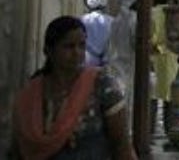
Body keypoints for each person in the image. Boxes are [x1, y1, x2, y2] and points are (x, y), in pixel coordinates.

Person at [10, 16, 136, 160]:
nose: (77, 52)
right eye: (69, 46)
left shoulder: (101, 85)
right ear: (49, 50)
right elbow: (18, 148)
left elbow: (121, 144)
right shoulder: (31, 94)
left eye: (82, 45)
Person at [150, 0, 178, 134]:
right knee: (170, 96)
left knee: (152, 96)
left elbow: (150, 37)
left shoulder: (151, 13)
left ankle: (149, 131)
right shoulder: (172, 13)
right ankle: (170, 129)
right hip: (171, 56)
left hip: (153, 57)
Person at [107, 0, 137, 123]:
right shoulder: (133, 20)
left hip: (115, 64)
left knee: (119, 99)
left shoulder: (116, 20)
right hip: (129, 64)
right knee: (127, 102)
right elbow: (136, 43)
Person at [82, 0, 113, 67]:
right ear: (104, 7)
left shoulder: (82, 19)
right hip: (106, 61)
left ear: (88, 6)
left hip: (87, 60)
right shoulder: (111, 21)